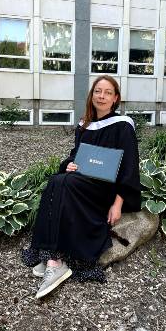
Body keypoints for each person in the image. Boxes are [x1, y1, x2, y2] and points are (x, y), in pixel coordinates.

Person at [22, 75, 141, 299]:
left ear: (115, 98)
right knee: (57, 180)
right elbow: (75, 156)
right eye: (98, 91)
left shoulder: (123, 126)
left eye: (107, 92)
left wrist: (117, 204)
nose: (102, 96)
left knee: (65, 184)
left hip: (107, 189)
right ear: (92, 95)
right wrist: (69, 165)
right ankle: (51, 254)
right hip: (83, 181)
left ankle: (56, 262)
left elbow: (129, 167)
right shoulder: (84, 125)